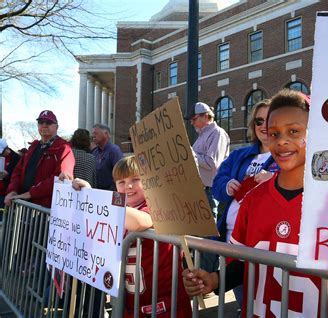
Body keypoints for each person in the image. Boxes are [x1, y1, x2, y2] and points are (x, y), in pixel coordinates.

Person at [183, 89, 328, 317]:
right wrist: (214, 279)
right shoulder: (253, 199)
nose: (282, 141)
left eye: (293, 131)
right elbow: (244, 263)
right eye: (273, 133)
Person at [72, 156, 192, 318]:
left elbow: (139, 221)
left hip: (166, 305)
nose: (128, 186)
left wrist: (94, 198)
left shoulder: (159, 204)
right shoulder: (122, 208)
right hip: (132, 303)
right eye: (121, 182)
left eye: (136, 179)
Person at [211, 99, 278, 306]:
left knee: (267, 298)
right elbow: (217, 184)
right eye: (259, 121)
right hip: (233, 239)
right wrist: (227, 185)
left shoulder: (286, 155)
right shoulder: (239, 155)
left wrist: (275, 180)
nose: (264, 126)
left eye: (270, 120)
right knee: (243, 296)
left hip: (264, 242)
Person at [188, 102, 230, 272]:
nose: (192, 122)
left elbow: (213, 164)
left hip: (211, 190)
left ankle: (206, 274)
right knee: (200, 234)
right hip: (202, 189)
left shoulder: (217, 133)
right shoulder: (203, 135)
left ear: (206, 116)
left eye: (194, 118)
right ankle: (201, 271)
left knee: (208, 234)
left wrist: (191, 154)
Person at [4, 110, 75, 208]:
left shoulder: (64, 148)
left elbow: (62, 178)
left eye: (49, 122)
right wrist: (12, 190)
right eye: (41, 122)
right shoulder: (33, 147)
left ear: (57, 127)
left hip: (46, 210)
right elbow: (18, 171)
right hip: (22, 206)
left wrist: (31, 193)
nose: (44, 125)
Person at [91, 124, 123, 190]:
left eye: (95, 133)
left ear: (106, 134)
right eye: (93, 133)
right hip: (96, 192)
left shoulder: (114, 151)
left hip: (110, 193)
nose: (93, 136)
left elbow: (120, 174)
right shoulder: (94, 152)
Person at [0, 139, 21, 218]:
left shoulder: (16, 159)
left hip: (6, 194)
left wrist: (7, 175)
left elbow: (18, 175)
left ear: (7, 149)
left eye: (1, 152)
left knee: (3, 218)